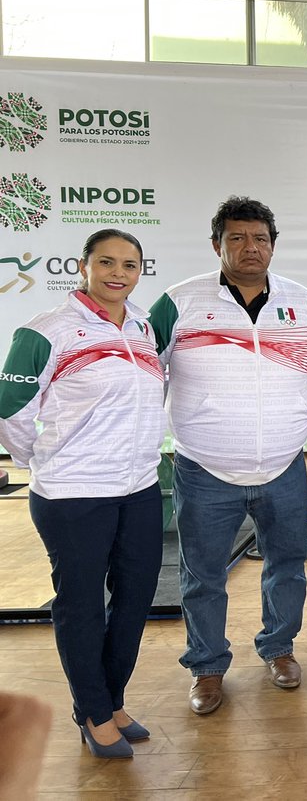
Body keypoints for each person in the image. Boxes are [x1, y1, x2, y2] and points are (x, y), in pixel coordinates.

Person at [149, 196, 307, 716]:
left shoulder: (302, 303)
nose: (250, 247)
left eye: (260, 239)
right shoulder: (179, 302)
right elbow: (145, 374)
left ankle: (279, 648)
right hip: (204, 469)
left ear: (273, 245)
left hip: (284, 466)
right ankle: (207, 666)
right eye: (237, 238)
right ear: (217, 245)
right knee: (202, 574)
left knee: (287, 568)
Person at [0, 229, 167, 758]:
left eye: (130, 264)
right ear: (84, 266)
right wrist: (38, 459)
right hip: (74, 493)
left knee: (136, 597)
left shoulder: (141, 325)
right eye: (107, 262)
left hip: (139, 485)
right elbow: (10, 407)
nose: (118, 273)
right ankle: (94, 713)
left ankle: (111, 699)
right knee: (82, 606)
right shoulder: (48, 329)